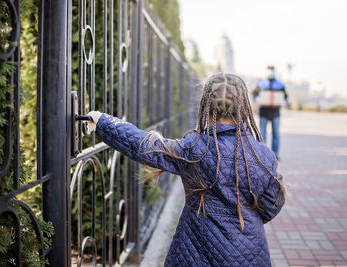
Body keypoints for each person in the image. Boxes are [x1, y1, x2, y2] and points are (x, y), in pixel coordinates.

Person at [87, 73, 285, 267]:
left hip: (196, 246)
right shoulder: (262, 155)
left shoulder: (194, 148)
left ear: (206, 107)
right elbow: (272, 204)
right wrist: (246, 217)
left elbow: (149, 147)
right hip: (248, 249)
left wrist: (102, 122)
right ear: (244, 108)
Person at [253, 65, 288, 160]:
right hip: (264, 112)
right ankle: (262, 154)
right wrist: (257, 100)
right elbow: (255, 95)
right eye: (269, 70)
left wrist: (283, 102)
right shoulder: (261, 84)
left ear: (274, 71)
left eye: (272, 70)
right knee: (262, 134)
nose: (270, 72)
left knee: (276, 134)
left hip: (275, 113)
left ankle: (275, 155)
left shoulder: (280, 85)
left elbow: (285, 97)